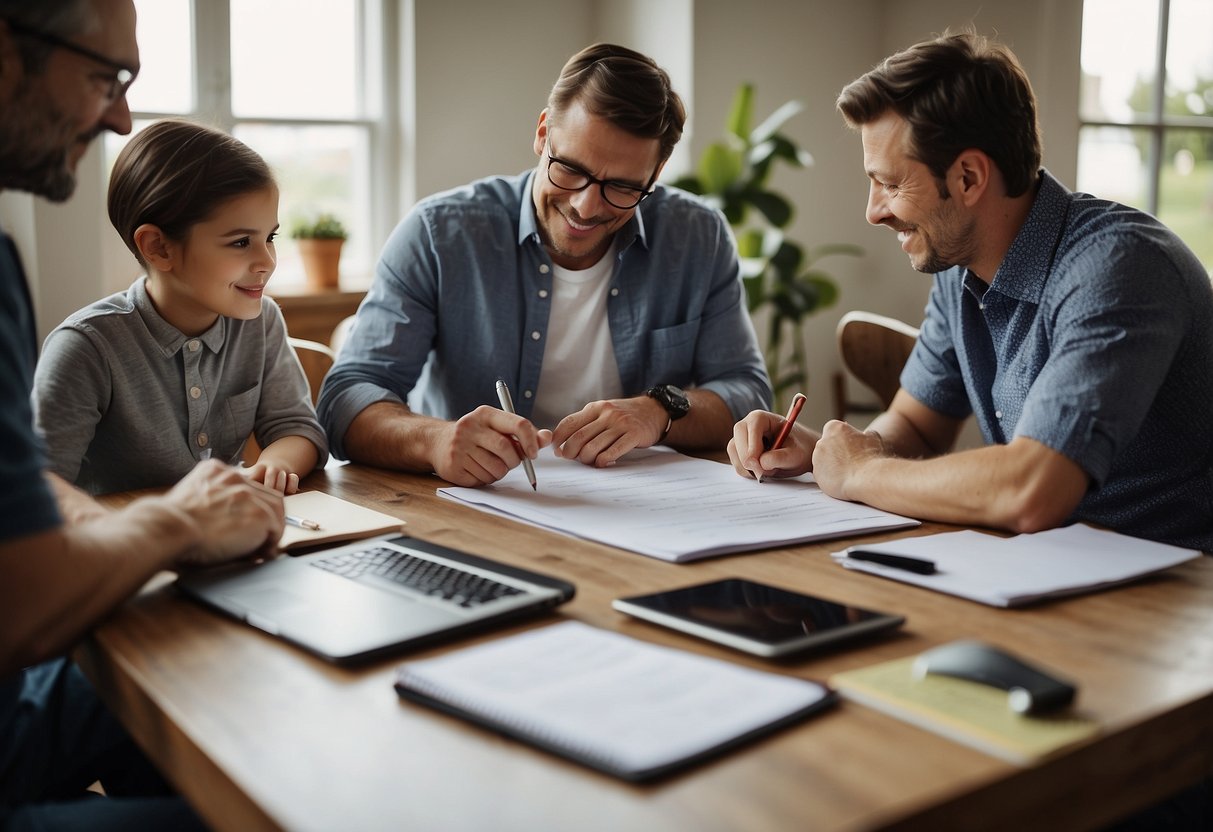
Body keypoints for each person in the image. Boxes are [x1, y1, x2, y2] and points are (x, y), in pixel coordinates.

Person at [728, 31, 1213, 554]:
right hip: (1043, 570)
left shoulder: (1120, 268)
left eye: (890, 184)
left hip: (1173, 592)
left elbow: (1032, 490)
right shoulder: (958, 264)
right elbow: (915, 425)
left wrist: (862, 472)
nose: (873, 211)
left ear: (967, 177)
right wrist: (825, 449)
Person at [0, 2, 285, 828]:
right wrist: (173, 522)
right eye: (106, 76)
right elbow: (22, 606)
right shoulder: (83, 340)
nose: (123, 114)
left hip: (15, 714)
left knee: (242, 706)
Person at [317, 42, 771, 487]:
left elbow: (746, 390)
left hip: (642, 511)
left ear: (657, 172)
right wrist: (436, 441)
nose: (586, 206)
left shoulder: (697, 236)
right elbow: (346, 399)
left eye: (622, 187)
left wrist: (659, 411)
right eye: (570, 168)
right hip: (475, 512)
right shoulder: (439, 235)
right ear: (542, 133)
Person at [33, 118, 329, 496]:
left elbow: (298, 429)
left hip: (226, 539)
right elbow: (41, 491)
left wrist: (272, 468)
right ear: (158, 247)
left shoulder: (262, 321)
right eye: (240, 242)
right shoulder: (85, 348)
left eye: (269, 237)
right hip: (123, 547)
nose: (267, 260)